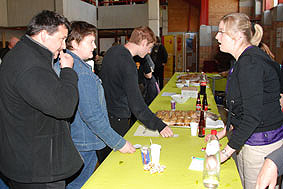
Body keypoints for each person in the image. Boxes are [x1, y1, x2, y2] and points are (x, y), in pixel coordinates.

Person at [0, 10, 83, 188]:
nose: (64, 46)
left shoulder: (24, 55)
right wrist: (68, 71)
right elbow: (64, 107)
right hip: (37, 168)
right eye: (61, 39)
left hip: (27, 159)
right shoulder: (30, 65)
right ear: (44, 35)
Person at [54, 21, 136, 189]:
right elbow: (92, 116)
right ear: (75, 43)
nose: (94, 46)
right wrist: (119, 143)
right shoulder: (81, 72)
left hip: (74, 140)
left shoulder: (68, 65)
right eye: (90, 42)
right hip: (84, 144)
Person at [210, 12, 283, 189]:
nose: (216, 36)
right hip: (249, 138)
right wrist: (224, 133)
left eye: (221, 32)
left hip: (260, 143)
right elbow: (241, 109)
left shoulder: (250, 64)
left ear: (237, 36)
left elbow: (252, 116)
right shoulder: (245, 60)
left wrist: (225, 153)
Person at [97, 26, 173, 163]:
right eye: (149, 47)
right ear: (143, 43)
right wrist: (159, 125)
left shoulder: (113, 51)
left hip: (104, 115)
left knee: (105, 161)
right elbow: (136, 105)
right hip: (117, 119)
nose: (149, 51)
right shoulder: (128, 63)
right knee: (115, 162)